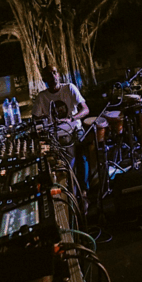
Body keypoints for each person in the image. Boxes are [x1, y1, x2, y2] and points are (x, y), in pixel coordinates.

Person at [32, 65, 90, 198]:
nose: (53, 77)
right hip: (55, 135)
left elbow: (86, 109)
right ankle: (66, 193)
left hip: (74, 129)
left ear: (58, 74)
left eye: (54, 73)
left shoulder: (69, 88)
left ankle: (84, 191)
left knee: (81, 154)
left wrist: (72, 118)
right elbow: (35, 119)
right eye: (49, 75)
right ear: (44, 79)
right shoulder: (42, 97)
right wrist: (44, 120)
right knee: (55, 165)